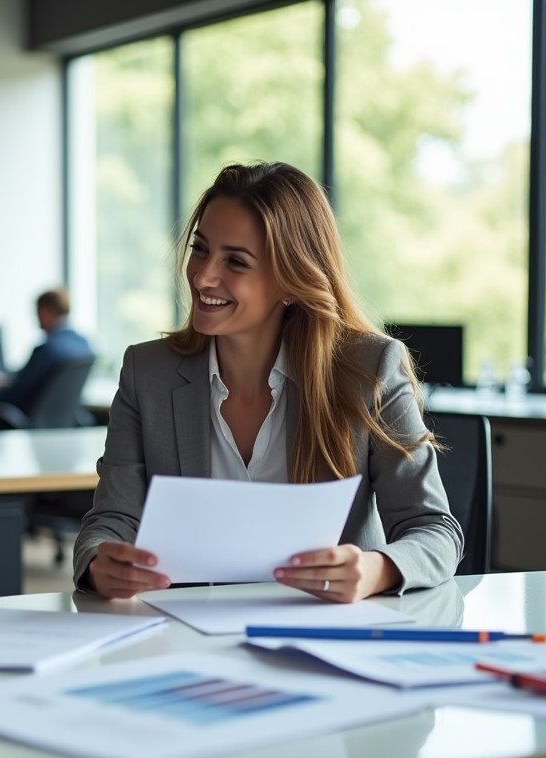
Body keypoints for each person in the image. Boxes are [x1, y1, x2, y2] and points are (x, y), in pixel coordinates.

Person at [73, 161, 463, 602]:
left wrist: (376, 570)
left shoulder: (368, 370)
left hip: (327, 635)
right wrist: (99, 562)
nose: (203, 277)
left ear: (292, 281)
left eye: (235, 261)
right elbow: (110, 519)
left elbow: (434, 531)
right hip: (184, 633)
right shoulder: (148, 372)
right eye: (200, 249)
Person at [0, 288, 94, 415]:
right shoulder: (84, 344)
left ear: (46, 311)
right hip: (64, 421)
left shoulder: (47, 350)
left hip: (31, 419)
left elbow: (17, 392)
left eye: (37, 312)